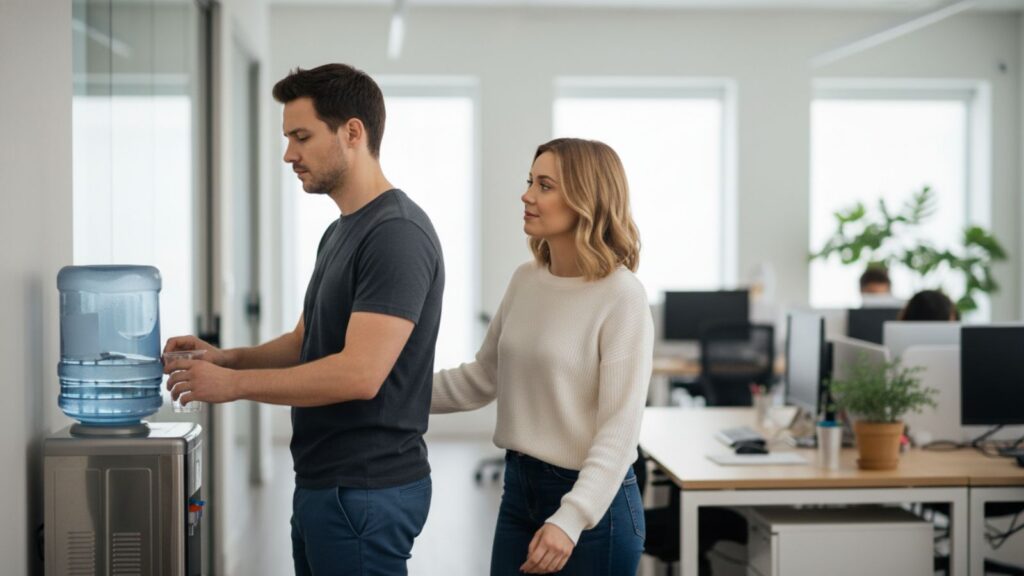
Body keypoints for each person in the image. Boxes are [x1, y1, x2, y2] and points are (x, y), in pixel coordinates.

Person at [162, 63, 444, 576]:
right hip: (326, 481)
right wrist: (223, 356)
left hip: (365, 489)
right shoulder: (342, 232)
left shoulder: (396, 235)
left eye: (302, 136)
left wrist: (233, 384)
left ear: (352, 132)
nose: (289, 153)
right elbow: (304, 340)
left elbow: (360, 374)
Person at [432, 138, 654, 575]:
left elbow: (619, 432)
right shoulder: (526, 279)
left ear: (586, 198)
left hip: (592, 511)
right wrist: (385, 389)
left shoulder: (622, 296)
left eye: (545, 185)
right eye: (530, 181)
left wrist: (570, 519)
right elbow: (482, 377)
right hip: (520, 491)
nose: (527, 195)